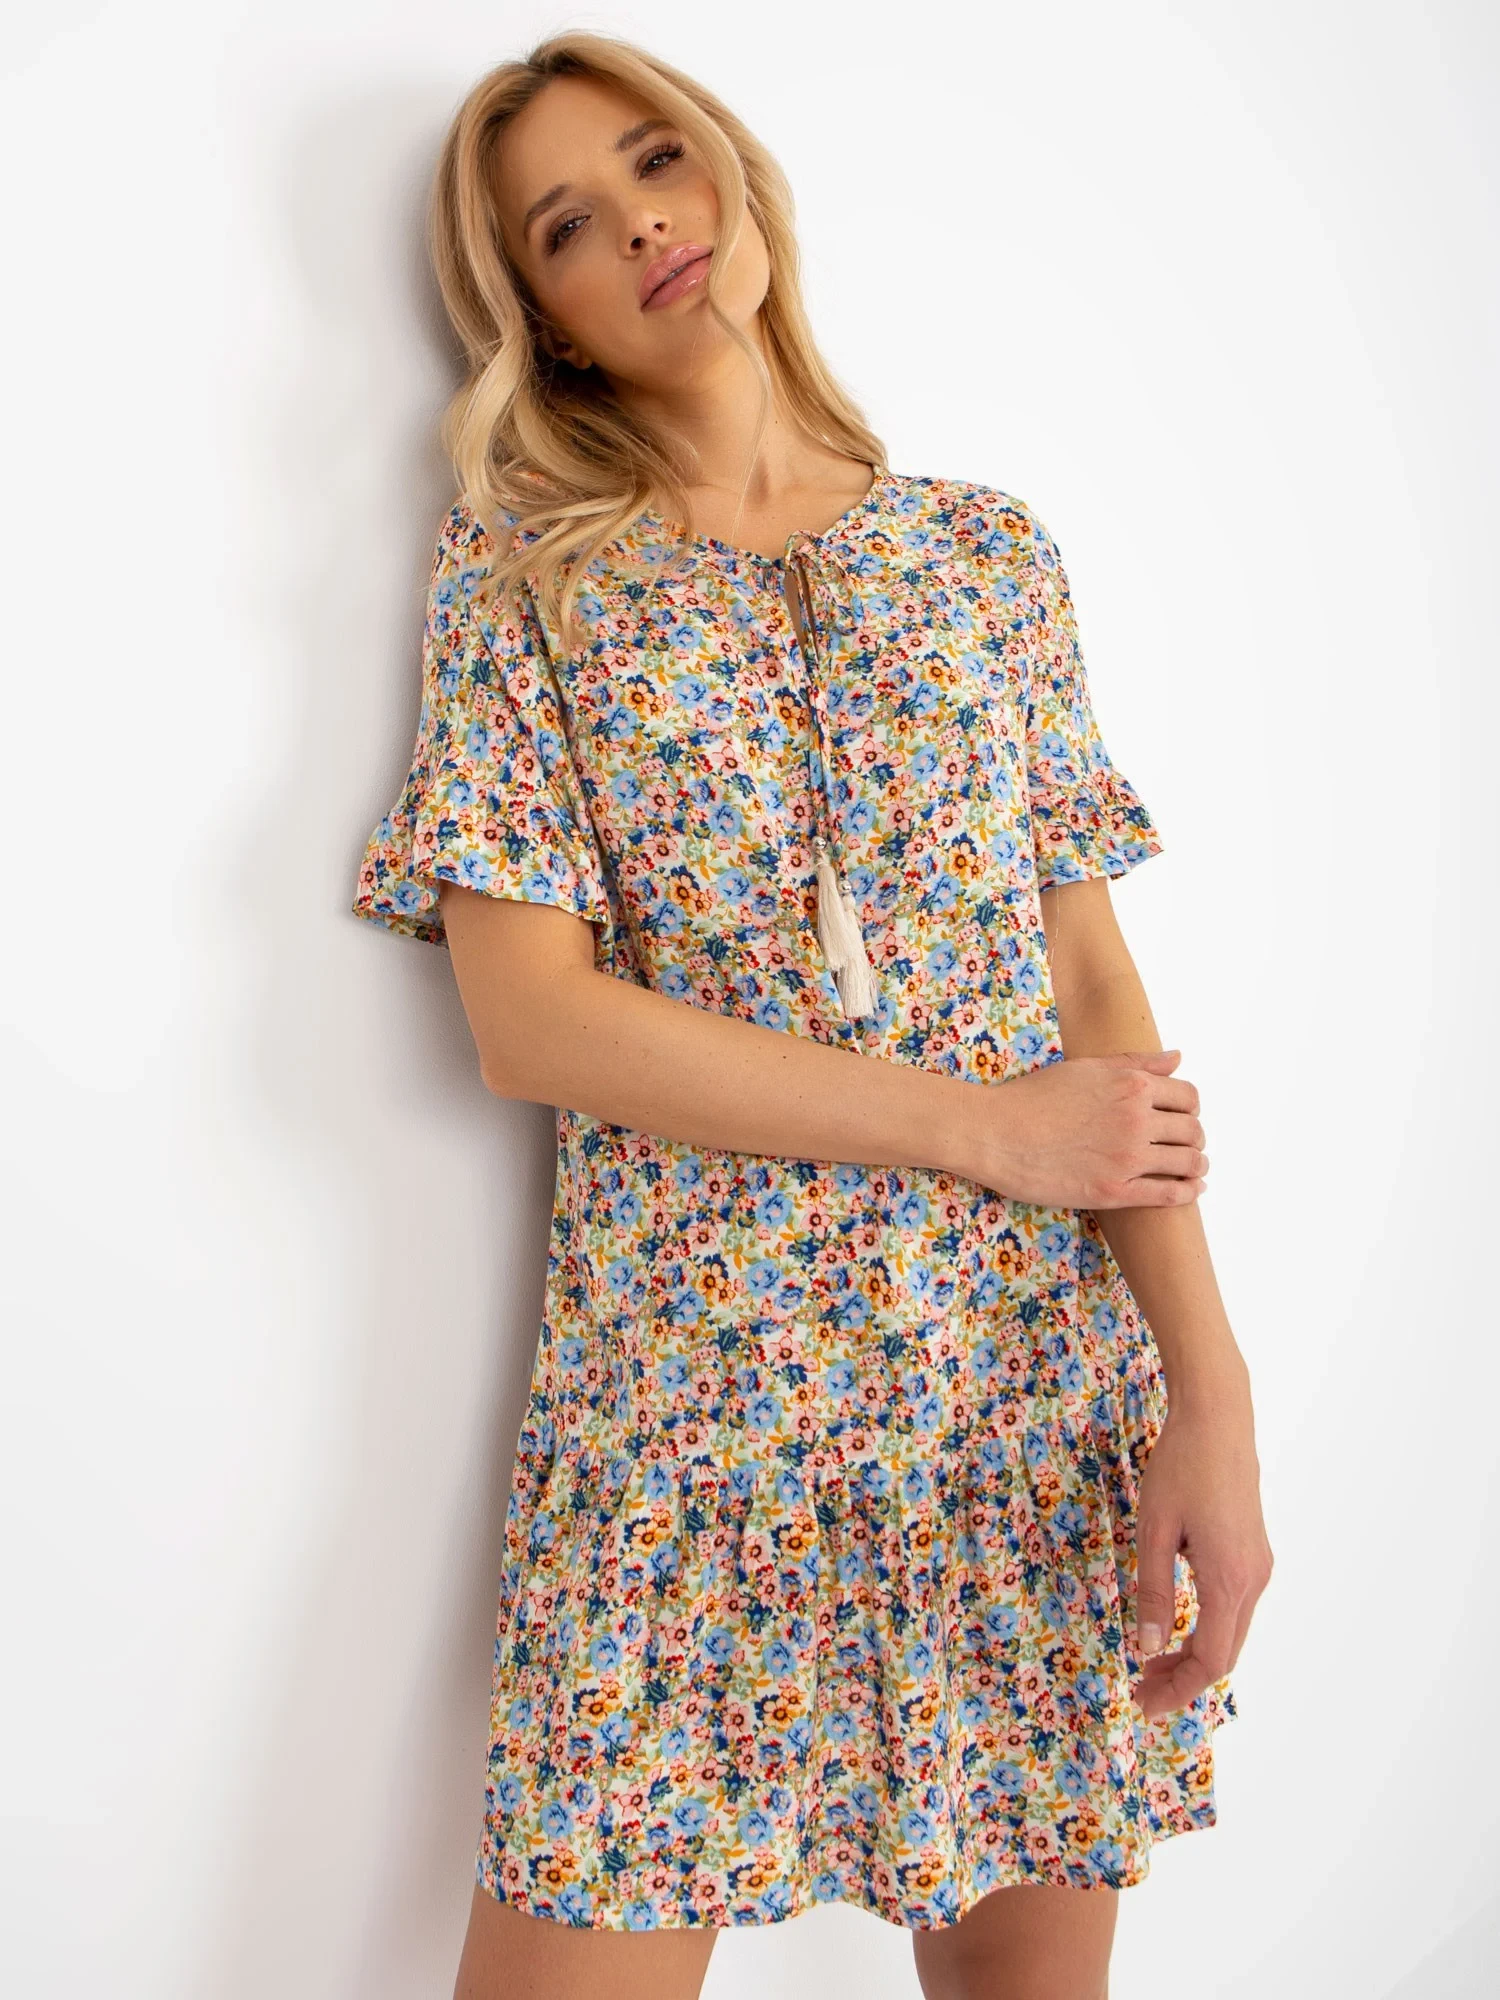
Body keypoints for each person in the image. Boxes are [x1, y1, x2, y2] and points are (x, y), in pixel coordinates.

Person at [350, 29, 1273, 2000]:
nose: (639, 225)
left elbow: (1094, 992)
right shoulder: (524, 579)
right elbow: (534, 1025)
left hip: (1014, 1404)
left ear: (734, 174)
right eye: (565, 227)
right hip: (695, 1430)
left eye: (654, 160)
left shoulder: (988, 556)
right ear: (548, 320)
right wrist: (982, 1125)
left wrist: (1215, 1399)